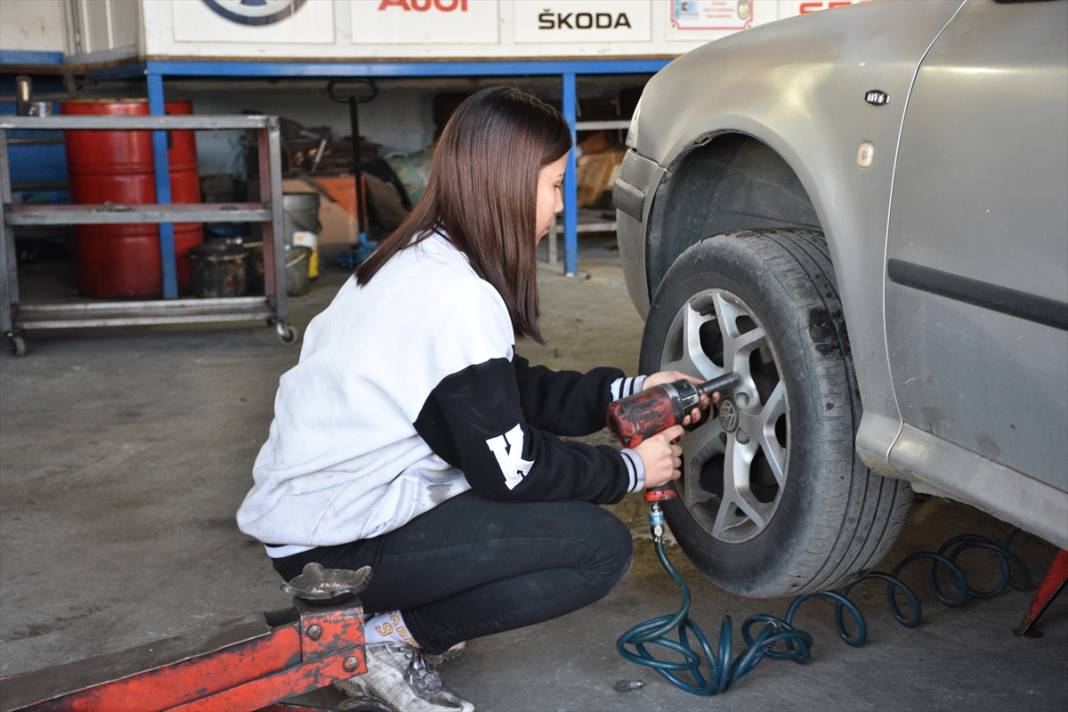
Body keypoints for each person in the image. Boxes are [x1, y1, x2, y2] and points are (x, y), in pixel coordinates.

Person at [236, 86, 713, 712]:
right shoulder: (457, 298)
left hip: (319, 521)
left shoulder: (419, 259)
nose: (561, 205)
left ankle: (387, 620)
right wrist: (630, 469)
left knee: (552, 516)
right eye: (554, 184)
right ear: (507, 184)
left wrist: (627, 391)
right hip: (336, 547)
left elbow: (510, 391)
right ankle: (382, 638)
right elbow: (511, 472)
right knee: (596, 550)